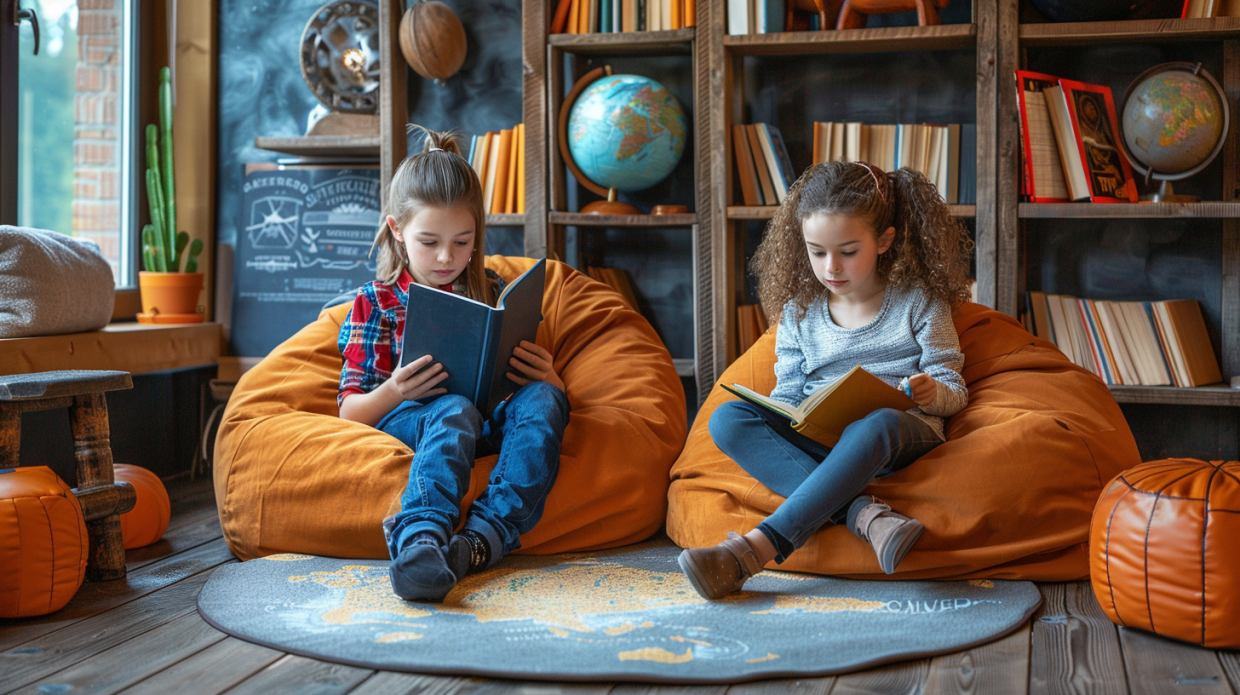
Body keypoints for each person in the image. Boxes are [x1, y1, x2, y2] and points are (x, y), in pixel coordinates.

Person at [678, 161, 974, 600]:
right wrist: (785, 413)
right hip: (822, 438)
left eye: (848, 251)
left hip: (898, 431)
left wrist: (930, 393)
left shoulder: (918, 302)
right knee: (727, 420)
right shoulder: (799, 312)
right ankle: (865, 517)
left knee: (874, 422)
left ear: (884, 241)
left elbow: (955, 389)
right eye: (817, 252)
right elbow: (788, 392)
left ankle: (753, 550)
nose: (831, 266)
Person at [337, 125, 570, 602]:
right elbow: (348, 413)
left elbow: (545, 399)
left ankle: (480, 541)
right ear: (397, 231)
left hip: (485, 419)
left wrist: (549, 378)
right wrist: (396, 391)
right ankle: (419, 540)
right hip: (414, 420)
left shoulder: (490, 287)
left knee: (543, 399)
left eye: (462, 242)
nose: (447, 258)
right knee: (453, 408)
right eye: (429, 242)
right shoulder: (376, 302)